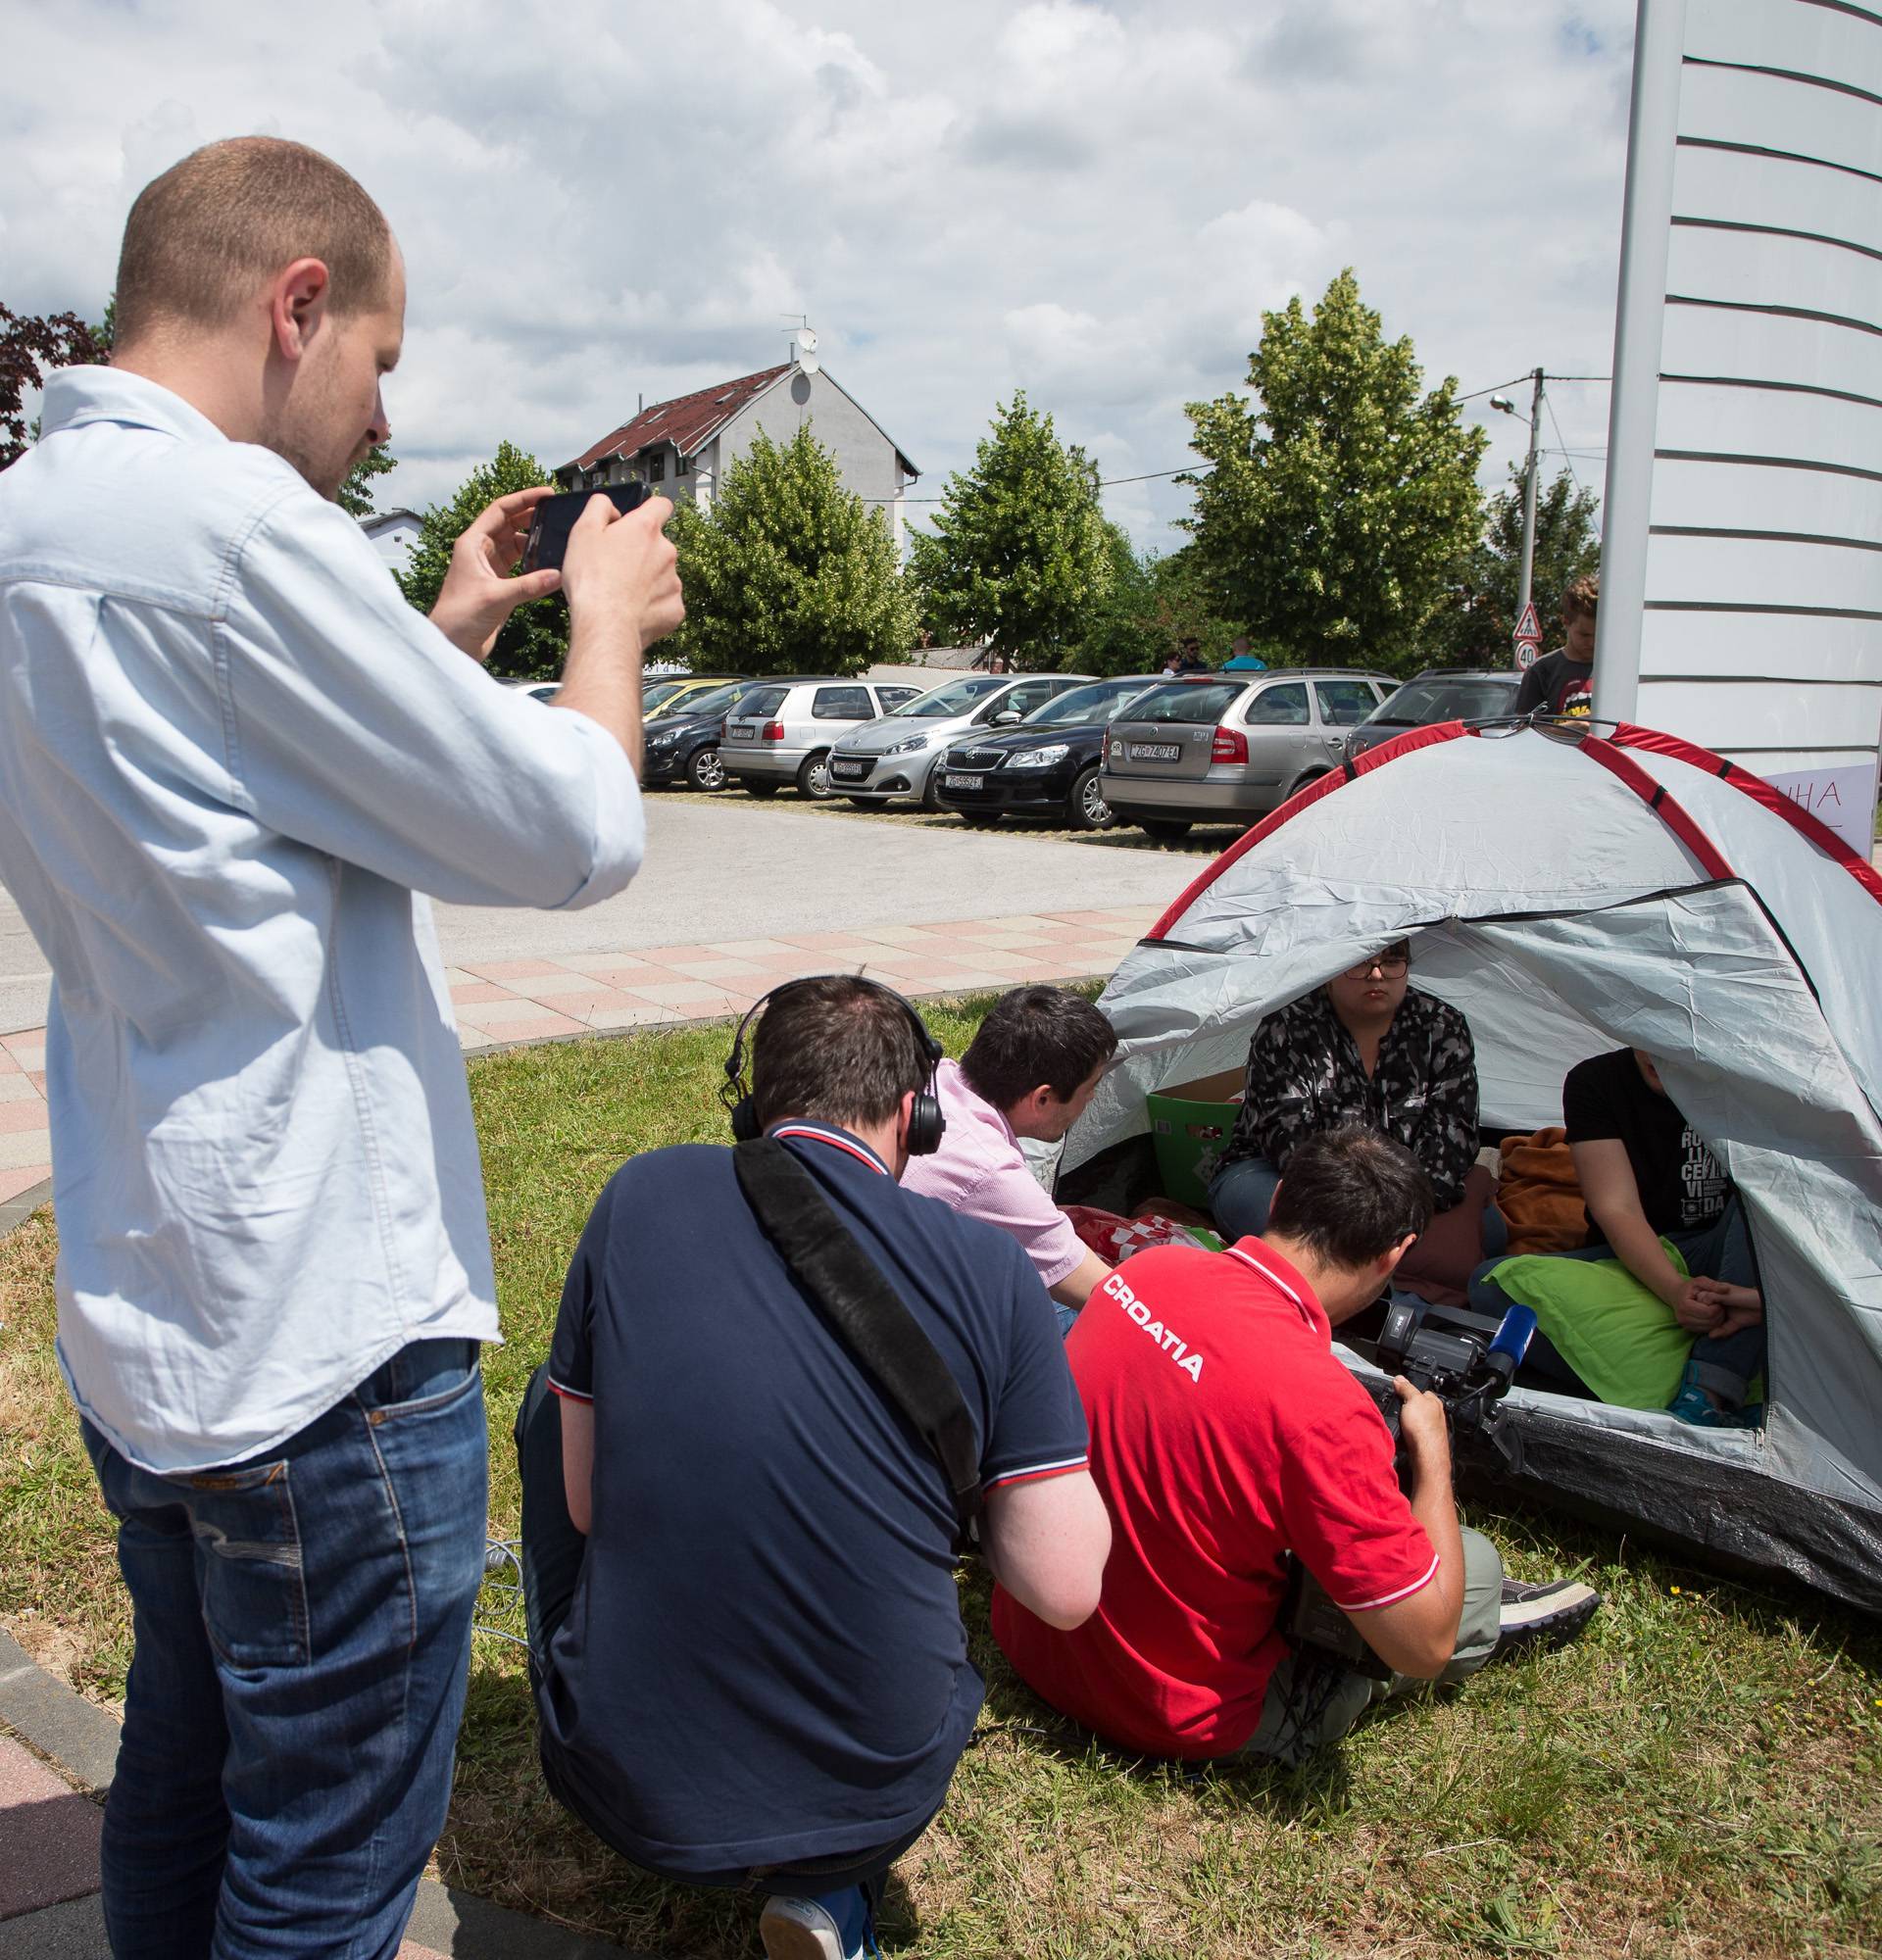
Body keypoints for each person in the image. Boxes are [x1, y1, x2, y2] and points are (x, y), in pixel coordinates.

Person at [0, 137, 683, 1957]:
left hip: (160, 1295)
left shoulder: (37, 522)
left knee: (185, 1770)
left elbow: (249, 790)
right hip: (320, 1326)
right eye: (381, 360)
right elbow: (566, 833)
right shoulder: (231, 531)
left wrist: (450, 628)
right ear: (296, 304)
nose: (381, 417)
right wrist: (605, 632)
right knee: (321, 1859)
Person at [516, 976, 1111, 1960]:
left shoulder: (642, 1190)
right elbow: (1063, 1589)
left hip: (621, 1789)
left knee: (551, 1397)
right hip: (874, 1799)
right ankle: (832, 1889)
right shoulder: (998, 1272)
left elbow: (582, 1501)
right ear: (917, 1111)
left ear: (755, 1103)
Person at [993, 1128, 1601, 1768]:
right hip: (1164, 1710)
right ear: (1394, 1256)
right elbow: (1422, 1647)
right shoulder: (1324, 1408)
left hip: (1032, 1636)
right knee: (1468, 1569)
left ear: (1278, 1196)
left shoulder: (1149, 1270)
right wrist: (1434, 1456)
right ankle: (1424, 1646)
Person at [1468, 1049, 1766, 1426]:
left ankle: (1710, 1386)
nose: (1659, 1054)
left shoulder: (1748, 1081)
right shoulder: (1597, 1081)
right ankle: (1741, 1364)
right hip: (1638, 1264)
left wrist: (1757, 1296)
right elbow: (1617, 1208)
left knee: (1757, 1205)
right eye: (1647, 1037)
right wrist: (1676, 1291)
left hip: (1731, 1258)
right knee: (1492, 1286)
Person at [1207, 943, 1493, 1256]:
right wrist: (1367, 1205)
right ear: (1330, 971)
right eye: (1359, 965)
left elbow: (1454, 1131)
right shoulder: (1287, 1026)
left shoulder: (1441, 1026)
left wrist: (1406, 1198)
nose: (1377, 975)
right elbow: (1288, 1140)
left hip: (1405, 1185)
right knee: (1315, 1239)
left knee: (1489, 1236)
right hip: (1287, 1177)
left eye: (1392, 962)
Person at [900, 984, 1119, 1318]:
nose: (1090, 1100)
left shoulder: (934, 1077)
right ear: (1042, 1098)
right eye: (1090, 1089)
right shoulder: (988, 1171)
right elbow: (1106, 1293)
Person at [1514, 573, 1598, 719]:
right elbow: (1522, 731)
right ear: (1565, 622)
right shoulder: (1541, 671)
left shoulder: (1616, 670)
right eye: (1584, 635)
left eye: (1599, 635)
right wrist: (1571, 728)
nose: (1592, 643)